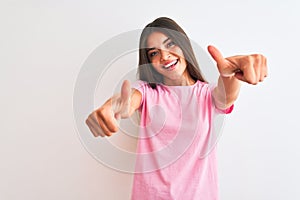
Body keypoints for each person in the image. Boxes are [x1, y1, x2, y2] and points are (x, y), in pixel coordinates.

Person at [85, 17, 267, 200]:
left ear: (183, 45)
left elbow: (227, 96)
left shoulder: (206, 94)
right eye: (154, 53)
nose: (164, 56)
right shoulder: (147, 91)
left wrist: (230, 75)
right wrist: (113, 107)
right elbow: (129, 100)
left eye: (170, 44)